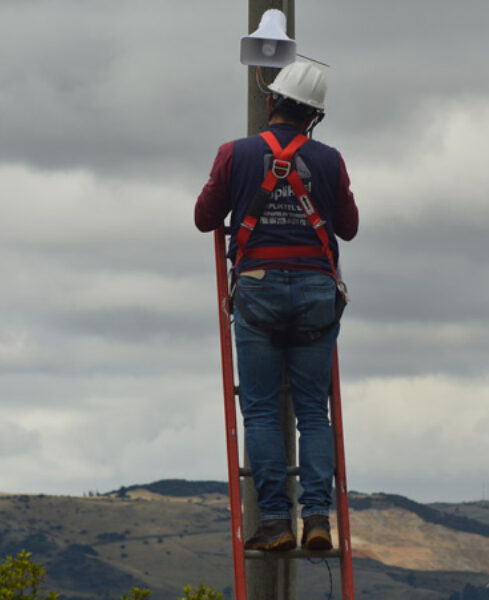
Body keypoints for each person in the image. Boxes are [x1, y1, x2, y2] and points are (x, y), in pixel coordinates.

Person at [195, 58, 358, 551]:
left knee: (262, 413)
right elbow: (347, 228)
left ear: (271, 102)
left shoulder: (235, 153)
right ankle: (315, 520)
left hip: (259, 286)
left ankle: (274, 522)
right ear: (314, 116)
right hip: (315, 291)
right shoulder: (329, 160)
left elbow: (205, 218)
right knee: (313, 413)